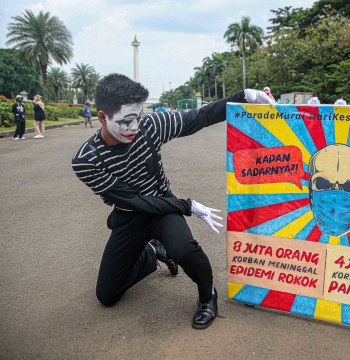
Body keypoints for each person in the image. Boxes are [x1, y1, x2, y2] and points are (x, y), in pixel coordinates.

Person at [71, 73, 275, 330]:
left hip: (162, 208)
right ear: (102, 117)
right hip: (129, 213)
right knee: (107, 295)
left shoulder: (150, 126)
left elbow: (199, 117)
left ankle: (207, 297)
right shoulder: (87, 160)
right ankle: (152, 253)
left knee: (184, 249)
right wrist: (187, 206)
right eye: (126, 121)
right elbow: (135, 201)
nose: (134, 127)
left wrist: (243, 96)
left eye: (138, 117)